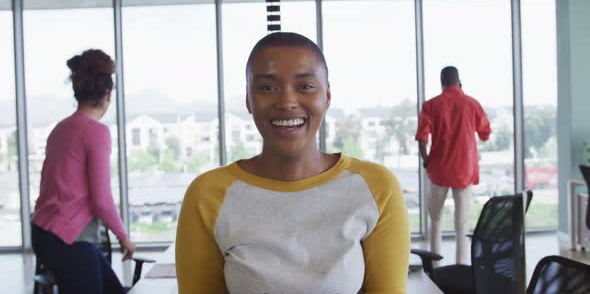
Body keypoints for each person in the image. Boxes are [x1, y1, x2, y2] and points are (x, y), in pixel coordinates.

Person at [176, 32, 410, 293]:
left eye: (305, 86)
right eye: (267, 88)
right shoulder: (207, 194)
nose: (286, 102)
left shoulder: (376, 187)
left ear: (327, 96)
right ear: (248, 99)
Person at [31, 49, 135, 294]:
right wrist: (123, 236)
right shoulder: (96, 132)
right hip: (67, 238)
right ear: (108, 96)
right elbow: (101, 199)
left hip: (44, 232)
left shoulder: (61, 129)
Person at [415, 66, 491, 265]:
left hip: (438, 170)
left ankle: (434, 264)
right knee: (462, 223)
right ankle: (461, 265)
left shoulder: (430, 105)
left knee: (435, 219)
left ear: (442, 83)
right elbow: (485, 132)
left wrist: (426, 160)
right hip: (464, 170)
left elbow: (422, 138)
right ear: (459, 82)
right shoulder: (472, 104)